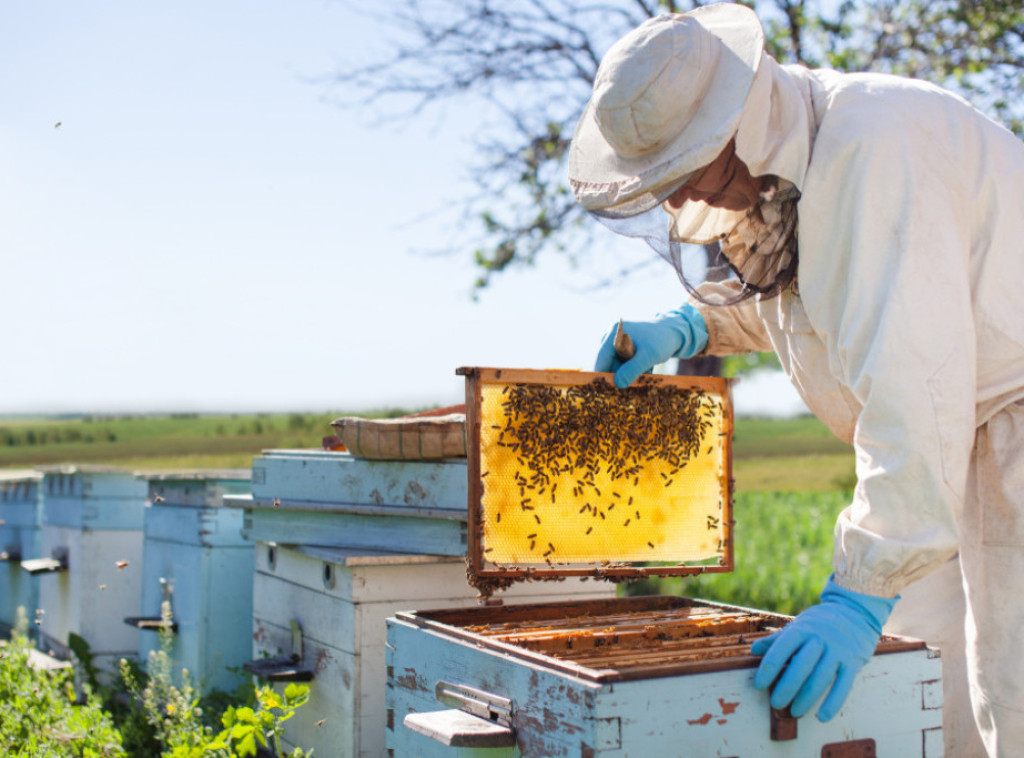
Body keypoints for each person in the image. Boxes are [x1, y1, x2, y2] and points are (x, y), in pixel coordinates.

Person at [569, 4, 1024, 757]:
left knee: (1013, 696)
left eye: (684, 172)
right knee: (926, 695)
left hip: (1005, 427)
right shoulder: (795, 163)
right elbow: (818, 300)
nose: (677, 202)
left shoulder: (873, 152)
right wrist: (692, 327)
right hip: (954, 444)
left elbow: (915, 383)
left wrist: (856, 597)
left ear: (735, 128)